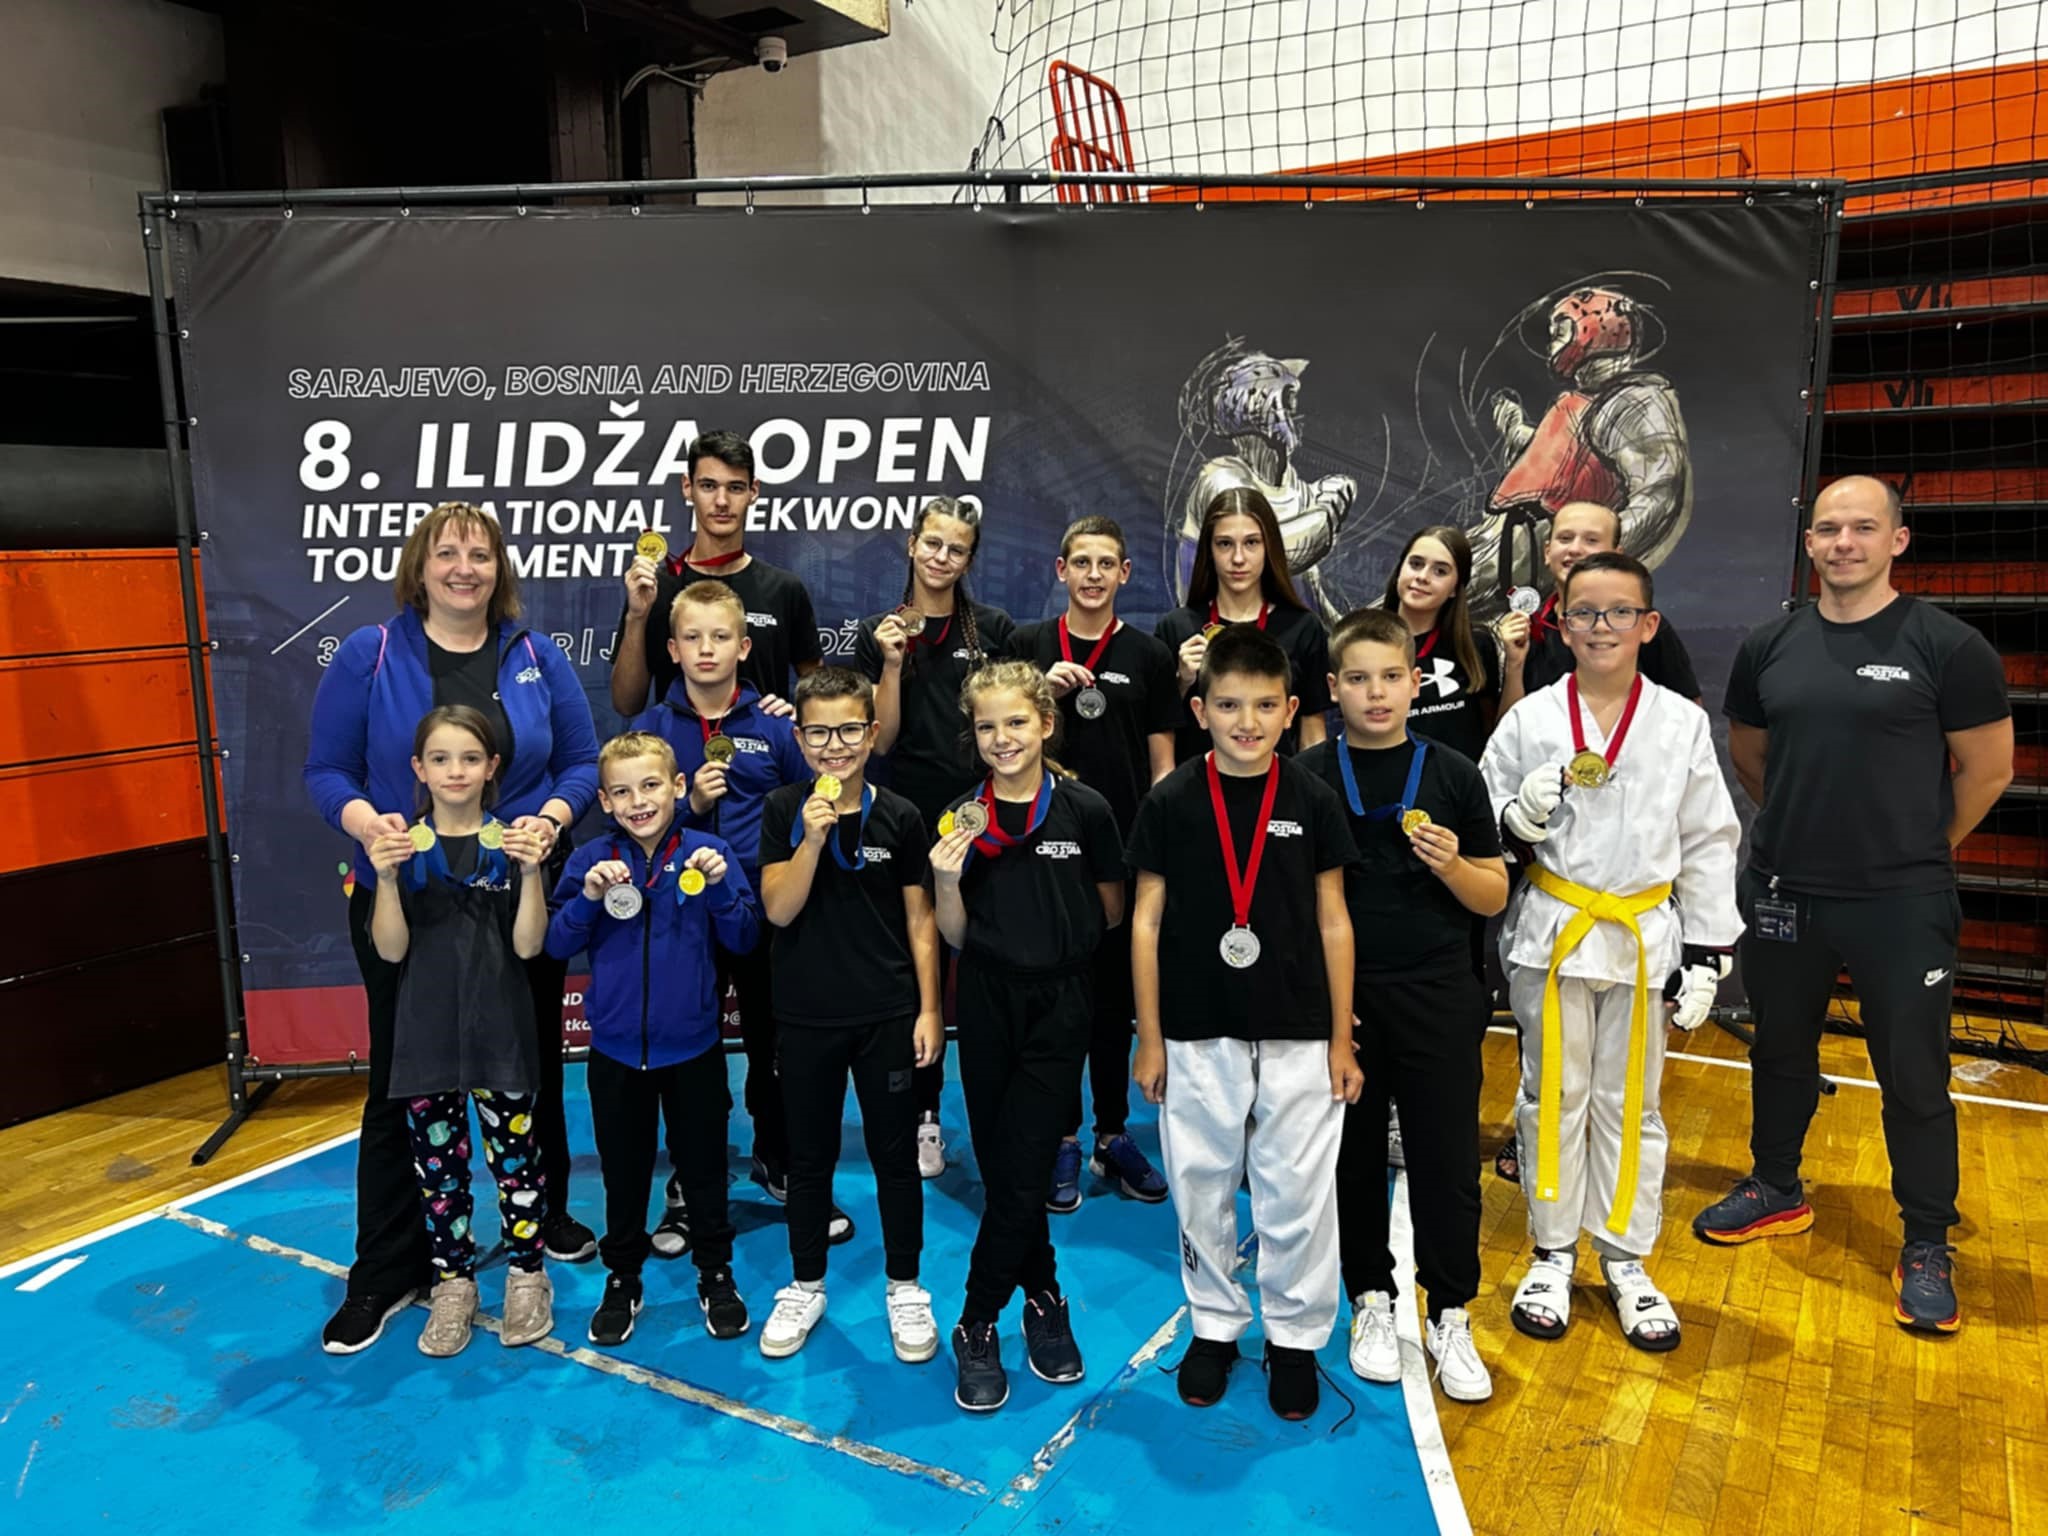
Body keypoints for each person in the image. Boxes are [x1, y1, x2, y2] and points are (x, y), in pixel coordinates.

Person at [1693, 476, 2012, 1334]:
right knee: (1780, 1049)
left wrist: (1915, 850)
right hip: (1785, 890)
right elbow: (1751, 756)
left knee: (1913, 1073)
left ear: (1896, 541)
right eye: (1829, 528)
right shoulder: (1770, 645)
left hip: (1901, 902)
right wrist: (1807, 839)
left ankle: (1927, 1240)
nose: (1844, 542)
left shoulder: (1949, 647)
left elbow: (1990, 771)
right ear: (1809, 544)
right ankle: (1776, 1185)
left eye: (1863, 528)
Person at [305, 502, 600, 1355]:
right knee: (403, 1082)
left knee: (527, 1066)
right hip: (404, 898)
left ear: (499, 568)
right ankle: (388, 1269)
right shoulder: (370, 653)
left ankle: (537, 1231)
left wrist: (549, 820)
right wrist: (369, 827)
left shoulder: (536, 655)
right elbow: (326, 770)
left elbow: (581, 763)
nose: (464, 568)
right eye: (447, 553)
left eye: (480, 553)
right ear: (420, 567)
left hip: (516, 893)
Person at [1480, 551, 1740, 1353]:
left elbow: (1708, 836)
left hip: (1638, 934)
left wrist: (1707, 952)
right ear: (1560, 624)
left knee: (1632, 1103)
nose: (1602, 627)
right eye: (1585, 613)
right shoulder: (1529, 718)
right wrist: (1516, 819)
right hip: (1555, 930)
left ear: (1647, 625)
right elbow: (1484, 811)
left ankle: (1625, 1256)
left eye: (1619, 612)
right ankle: (1553, 1252)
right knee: (1551, 1095)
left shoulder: (1680, 722)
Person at [1128, 626, 1361, 1422]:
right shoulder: (1170, 800)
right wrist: (1150, 1035)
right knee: (1201, 1185)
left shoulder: (1313, 797)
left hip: (1300, 1027)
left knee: (1298, 1191)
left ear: (1292, 711)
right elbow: (1145, 921)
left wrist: (1341, 1037)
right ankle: (1215, 1325)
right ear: (1199, 711)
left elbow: (1334, 918)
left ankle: (1293, 1337)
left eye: (1264, 706)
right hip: (1197, 1027)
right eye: (1228, 706)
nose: (1247, 722)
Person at [1301, 608, 1508, 1403]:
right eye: (1358, 679)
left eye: (1391, 676)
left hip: (1440, 995)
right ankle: (1370, 1298)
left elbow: (1493, 895)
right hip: (1347, 1002)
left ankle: (1451, 1310)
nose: (1376, 693)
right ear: (1334, 688)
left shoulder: (1453, 773)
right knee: (1352, 1157)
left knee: (1446, 1161)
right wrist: (1322, 1003)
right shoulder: (1310, 776)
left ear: (1416, 683)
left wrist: (1453, 865)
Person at [930, 662, 1126, 1412]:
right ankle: (1043, 1294)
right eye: (987, 726)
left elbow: (1110, 910)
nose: (1002, 738)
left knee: (1028, 1164)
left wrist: (1054, 941)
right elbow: (955, 935)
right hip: (985, 1002)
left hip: (1062, 1003)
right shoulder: (961, 818)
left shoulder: (1086, 809)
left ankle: (976, 1320)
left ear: (1046, 723)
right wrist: (947, 881)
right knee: (1005, 1166)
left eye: (1016, 722)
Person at [638, 580, 849, 1241]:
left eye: (720, 636)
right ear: (673, 649)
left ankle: (778, 1157)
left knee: (774, 1044)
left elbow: (811, 810)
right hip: (682, 918)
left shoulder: (777, 726)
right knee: (689, 1049)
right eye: (692, 637)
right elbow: (629, 829)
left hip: (763, 914)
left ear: (745, 647)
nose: (707, 649)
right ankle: (690, 1175)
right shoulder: (651, 731)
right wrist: (689, 806)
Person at [755, 667, 945, 1362]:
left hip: (887, 1014)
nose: (833, 745)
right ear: (799, 738)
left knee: (895, 1157)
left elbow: (921, 922)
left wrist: (929, 1008)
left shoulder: (902, 816)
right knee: (809, 1158)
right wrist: (810, 839)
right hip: (807, 1016)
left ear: (871, 733)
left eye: (847, 731)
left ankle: (905, 1285)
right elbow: (779, 909)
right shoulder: (782, 809)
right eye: (818, 732)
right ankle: (806, 1283)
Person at [547, 731, 757, 1347]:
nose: (637, 801)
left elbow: (745, 939)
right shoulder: (590, 861)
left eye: (650, 786)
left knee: (705, 1170)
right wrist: (588, 899)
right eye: (621, 792)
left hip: (694, 1050)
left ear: (677, 787)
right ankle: (622, 1276)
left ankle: (715, 1271)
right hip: (614, 1052)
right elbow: (555, 945)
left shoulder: (710, 852)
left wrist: (720, 887)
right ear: (605, 802)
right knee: (623, 1173)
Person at [365, 706, 556, 1357]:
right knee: (439, 1177)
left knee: (517, 1166)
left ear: (491, 767)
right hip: (427, 1041)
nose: (455, 771)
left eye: (470, 758)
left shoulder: (512, 844)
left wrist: (531, 872)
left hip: (501, 1037)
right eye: (440, 759)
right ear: (418, 768)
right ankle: (454, 1284)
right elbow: (390, 951)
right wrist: (383, 878)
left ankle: (527, 1276)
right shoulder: (403, 849)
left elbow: (530, 945)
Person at [1008, 516, 1176, 1213]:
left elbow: (1163, 763)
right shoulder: (1028, 645)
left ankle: (1111, 1133)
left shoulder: (1148, 653)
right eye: (1082, 562)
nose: (1094, 575)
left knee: (1110, 1002)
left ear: (1125, 573)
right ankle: (1061, 1136)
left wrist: (1158, 844)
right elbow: (1001, 736)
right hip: (1041, 847)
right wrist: (1037, 691)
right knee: (1054, 1001)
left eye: (1107, 563)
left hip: (1120, 850)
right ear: (1060, 569)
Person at [856, 497, 1017, 1177]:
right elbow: (881, 741)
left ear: (969, 559)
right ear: (912, 544)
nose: (942, 558)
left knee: (985, 963)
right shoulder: (879, 632)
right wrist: (891, 664)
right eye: (933, 544)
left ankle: (999, 1110)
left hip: (984, 815)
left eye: (956, 549)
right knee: (918, 970)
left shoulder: (994, 630)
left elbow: (1009, 724)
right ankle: (924, 1114)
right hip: (908, 819)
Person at [610, 429, 822, 716]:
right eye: (708, 486)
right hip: (676, 746)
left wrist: (802, 716)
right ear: (688, 487)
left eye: (735, 487)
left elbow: (819, 695)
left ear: (753, 491)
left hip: (765, 746)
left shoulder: (784, 589)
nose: (722, 501)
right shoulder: (654, 589)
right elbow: (626, 704)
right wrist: (636, 617)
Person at [1155, 487, 1331, 763]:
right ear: (1209, 550)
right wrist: (1181, 682)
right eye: (1225, 544)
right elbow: (1157, 731)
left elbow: (1312, 736)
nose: (1238, 558)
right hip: (1196, 786)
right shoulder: (1177, 627)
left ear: (1268, 547)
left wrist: (1309, 789)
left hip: (1277, 786)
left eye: (1251, 543)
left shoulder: (1303, 628)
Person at [1496, 500, 1702, 715]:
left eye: (1591, 540)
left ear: (1616, 555)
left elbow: (1688, 715)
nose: (1575, 549)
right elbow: (1510, 729)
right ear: (1547, 552)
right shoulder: (1528, 631)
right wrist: (1514, 666)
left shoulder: (1639, 626)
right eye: (1565, 538)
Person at [1378, 524, 1502, 762]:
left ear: (1455, 588)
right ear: (1400, 569)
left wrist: (1515, 665)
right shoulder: (1366, 643)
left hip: (1457, 783)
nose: (1422, 577)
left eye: (1440, 571)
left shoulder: (1476, 645)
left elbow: (1495, 730)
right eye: (1416, 564)